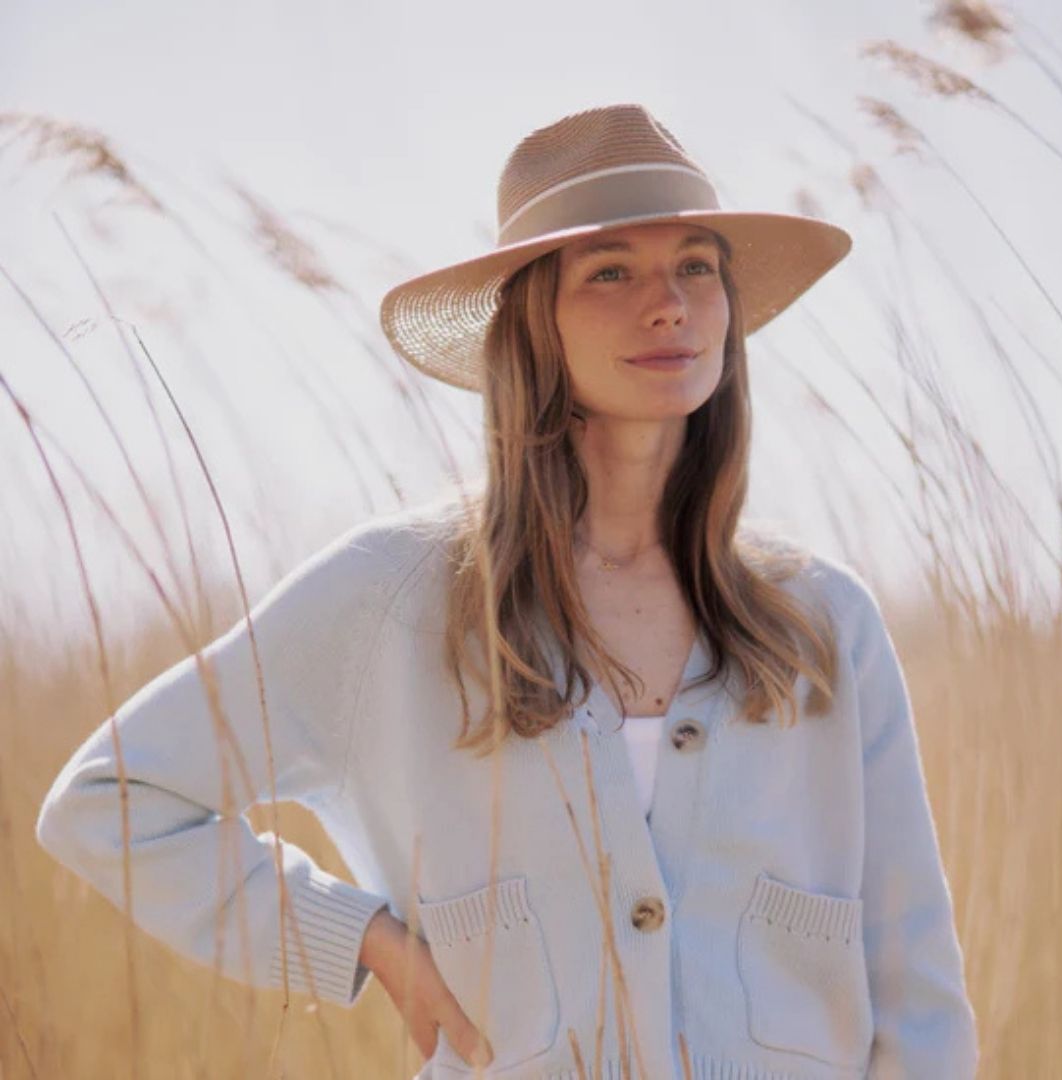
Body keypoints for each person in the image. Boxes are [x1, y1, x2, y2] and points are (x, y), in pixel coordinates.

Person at [36, 103, 978, 1079]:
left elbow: (914, 982)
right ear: (533, 320)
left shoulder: (824, 621)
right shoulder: (389, 602)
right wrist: (368, 942)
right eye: (610, 271)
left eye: (697, 264)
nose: (669, 304)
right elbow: (109, 800)